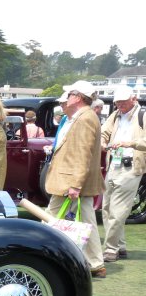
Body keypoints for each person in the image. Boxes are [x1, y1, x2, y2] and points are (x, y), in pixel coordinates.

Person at [44, 81, 105, 278]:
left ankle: (42, 255)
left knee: (51, 218)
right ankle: (95, 263)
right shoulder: (84, 116)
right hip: (71, 181)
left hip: (70, 181)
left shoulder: (84, 118)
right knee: (85, 221)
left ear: (78, 97)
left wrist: (75, 184)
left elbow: (82, 154)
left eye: (70, 94)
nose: (67, 98)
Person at [100, 85, 146, 263]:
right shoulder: (115, 115)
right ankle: (120, 246)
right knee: (106, 208)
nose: (120, 105)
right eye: (117, 102)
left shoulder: (143, 115)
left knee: (117, 211)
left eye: (123, 102)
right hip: (113, 164)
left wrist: (130, 143)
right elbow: (104, 132)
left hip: (131, 167)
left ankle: (111, 249)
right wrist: (103, 142)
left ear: (133, 99)